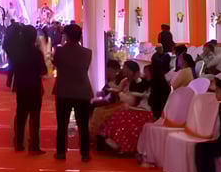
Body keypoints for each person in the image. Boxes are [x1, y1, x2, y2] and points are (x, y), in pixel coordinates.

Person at [100, 62, 170, 155]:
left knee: (124, 115)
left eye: (147, 72)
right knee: (121, 113)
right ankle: (114, 139)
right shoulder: (146, 84)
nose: (145, 75)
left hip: (149, 113)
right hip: (143, 110)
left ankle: (120, 143)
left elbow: (153, 105)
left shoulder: (160, 87)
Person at [52, 23, 93, 162]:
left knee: (62, 124)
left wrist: (63, 44)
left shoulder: (60, 51)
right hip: (83, 91)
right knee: (84, 125)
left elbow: (56, 64)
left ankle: (61, 152)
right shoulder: (87, 52)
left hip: (64, 90)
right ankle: (85, 154)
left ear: (66, 35)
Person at [14, 25, 47, 155]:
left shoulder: (18, 52)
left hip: (21, 86)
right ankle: (34, 145)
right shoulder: (36, 53)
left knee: (21, 115)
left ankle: (18, 143)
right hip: (34, 87)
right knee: (34, 117)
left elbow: (14, 69)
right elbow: (43, 70)